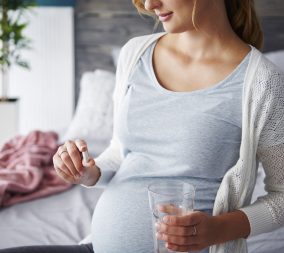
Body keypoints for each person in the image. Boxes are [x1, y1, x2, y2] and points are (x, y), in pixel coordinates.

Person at [1, 0, 284, 252]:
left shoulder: (261, 82)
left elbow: (281, 198)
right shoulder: (135, 53)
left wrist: (216, 229)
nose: (149, 4)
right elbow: (121, 152)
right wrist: (89, 172)